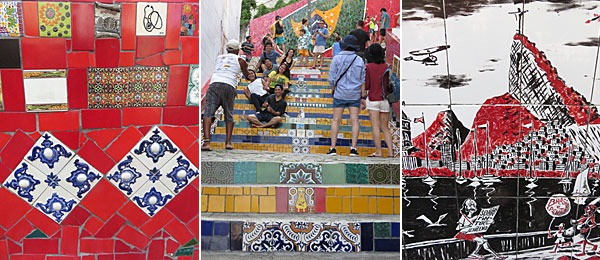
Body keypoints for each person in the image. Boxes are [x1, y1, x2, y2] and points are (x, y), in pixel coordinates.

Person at [202, 39, 250, 151]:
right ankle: (228, 143)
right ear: (238, 50)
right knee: (229, 113)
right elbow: (246, 74)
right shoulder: (241, 60)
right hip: (229, 85)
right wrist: (251, 76)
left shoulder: (219, 58)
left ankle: (207, 143)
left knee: (208, 112)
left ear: (227, 49)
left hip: (214, 84)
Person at [327, 35, 365, 156]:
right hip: (354, 95)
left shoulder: (336, 58)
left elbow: (331, 79)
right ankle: (353, 148)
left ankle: (333, 148)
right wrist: (362, 96)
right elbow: (362, 80)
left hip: (340, 93)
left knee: (336, 120)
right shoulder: (359, 60)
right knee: (355, 120)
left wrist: (333, 90)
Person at [364, 44, 394, 158]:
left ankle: (379, 152)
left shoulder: (369, 67)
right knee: (385, 127)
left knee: (375, 127)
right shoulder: (387, 66)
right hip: (384, 100)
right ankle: (391, 153)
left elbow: (367, 85)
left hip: (372, 100)